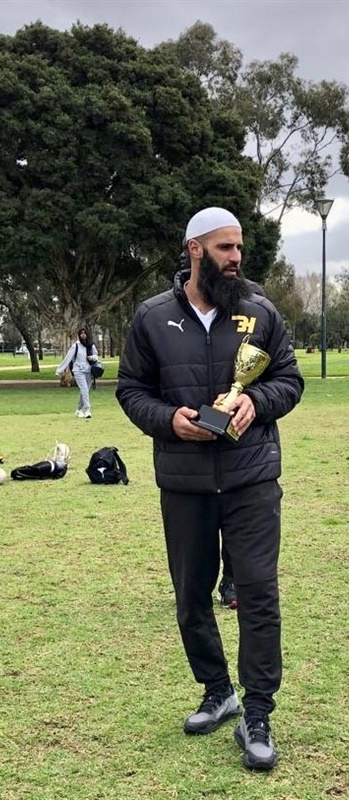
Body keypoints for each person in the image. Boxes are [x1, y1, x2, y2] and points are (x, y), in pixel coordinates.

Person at [116, 207, 304, 770]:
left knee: (257, 593)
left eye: (239, 248)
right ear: (194, 249)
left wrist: (255, 401)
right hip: (185, 482)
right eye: (225, 248)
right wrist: (169, 419)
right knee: (192, 596)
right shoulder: (151, 318)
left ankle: (259, 712)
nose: (236, 258)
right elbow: (130, 390)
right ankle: (217, 690)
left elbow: (288, 379)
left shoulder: (259, 311)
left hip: (251, 479)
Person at [56, 327, 98, 418]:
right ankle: (87, 410)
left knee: (85, 391)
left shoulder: (91, 345)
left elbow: (96, 356)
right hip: (78, 370)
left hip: (89, 370)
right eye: (81, 333)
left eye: (85, 333)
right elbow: (68, 358)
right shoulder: (76, 346)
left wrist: (92, 358)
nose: (83, 335)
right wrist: (60, 370)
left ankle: (78, 410)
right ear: (79, 335)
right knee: (84, 389)